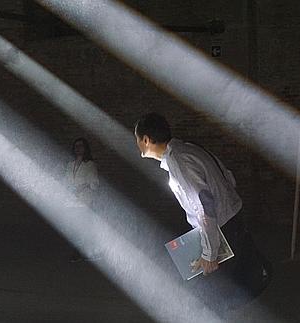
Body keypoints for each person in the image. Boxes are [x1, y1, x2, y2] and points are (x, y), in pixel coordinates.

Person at [134, 112, 271, 307]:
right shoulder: (189, 148)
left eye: (137, 139)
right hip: (232, 218)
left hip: (222, 228)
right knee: (237, 277)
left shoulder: (178, 162)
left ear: (146, 140)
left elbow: (204, 206)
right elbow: (227, 175)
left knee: (216, 292)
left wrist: (209, 253)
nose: (137, 143)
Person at [64, 137, 100, 262]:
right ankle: (79, 250)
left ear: (85, 148)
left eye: (81, 145)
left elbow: (94, 183)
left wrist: (81, 187)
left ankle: (80, 252)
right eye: (76, 146)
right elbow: (66, 180)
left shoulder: (90, 164)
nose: (78, 148)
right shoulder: (70, 165)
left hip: (84, 200)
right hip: (71, 200)